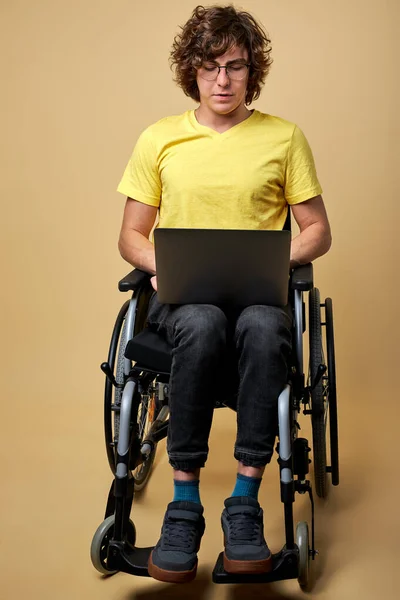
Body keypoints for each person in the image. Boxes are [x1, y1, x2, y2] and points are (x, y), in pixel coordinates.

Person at [117, 4, 331, 584]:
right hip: (184, 302)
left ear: (251, 73)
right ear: (192, 69)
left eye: (235, 68)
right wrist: (157, 266)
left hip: (259, 296)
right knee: (204, 321)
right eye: (211, 67)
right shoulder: (160, 138)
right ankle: (184, 504)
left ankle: (244, 503)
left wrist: (275, 256)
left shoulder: (284, 137)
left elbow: (317, 230)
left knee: (264, 328)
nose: (222, 81)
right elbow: (130, 236)